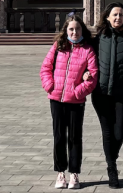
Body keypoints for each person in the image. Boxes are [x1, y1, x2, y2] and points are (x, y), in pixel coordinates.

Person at [39, 14, 98, 190]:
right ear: (66, 30)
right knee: (59, 137)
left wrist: (77, 92)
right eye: (71, 29)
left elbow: (92, 77)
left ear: (82, 30)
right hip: (56, 99)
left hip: (76, 102)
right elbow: (45, 68)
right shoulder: (58, 47)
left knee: (74, 138)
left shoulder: (88, 50)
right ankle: (60, 173)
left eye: (77, 28)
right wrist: (50, 86)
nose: (74, 31)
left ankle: (74, 174)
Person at [93, 2, 123, 189]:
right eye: (115, 15)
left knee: (120, 132)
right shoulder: (98, 38)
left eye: (121, 15)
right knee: (108, 132)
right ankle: (112, 168)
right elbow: (88, 61)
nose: (118, 18)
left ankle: (112, 156)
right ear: (107, 17)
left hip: (121, 93)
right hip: (100, 93)